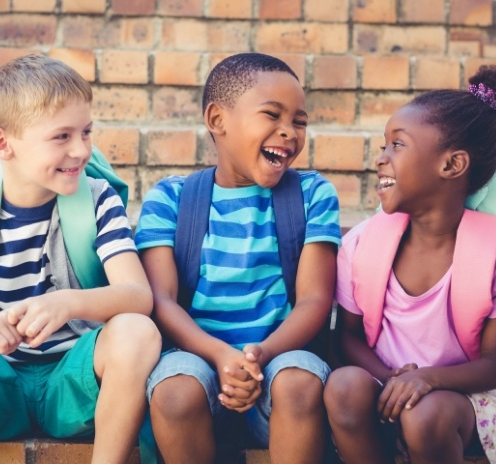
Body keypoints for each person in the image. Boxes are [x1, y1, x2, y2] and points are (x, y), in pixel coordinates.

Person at [0, 55, 161, 464]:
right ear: (2, 143)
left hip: (74, 387)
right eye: (62, 137)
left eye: (86, 132)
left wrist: (68, 302)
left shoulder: (97, 199)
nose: (81, 150)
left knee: (136, 331)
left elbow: (138, 294)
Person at [324, 64, 496, 464]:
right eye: (383, 145)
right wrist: (394, 378)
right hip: (385, 390)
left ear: (451, 165)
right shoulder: (361, 246)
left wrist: (426, 379)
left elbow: (493, 366)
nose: (381, 158)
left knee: (424, 415)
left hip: (459, 405)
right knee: (343, 385)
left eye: (398, 145)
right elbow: (347, 340)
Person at [135, 52, 342, 464]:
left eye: (299, 121)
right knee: (173, 390)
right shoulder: (171, 199)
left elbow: (315, 300)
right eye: (272, 115)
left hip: (279, 368)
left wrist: (257, 356)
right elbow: (161, 300)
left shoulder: (313, 195)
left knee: (299, 380)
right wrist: (220, 357)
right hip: (199, 372)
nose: (289, 132)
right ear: (217, 120)